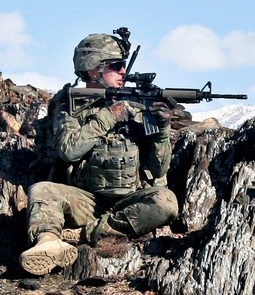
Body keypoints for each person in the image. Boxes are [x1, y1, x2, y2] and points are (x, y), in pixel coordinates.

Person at [19, 32, 179, 276]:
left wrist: (162, 131)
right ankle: (48, 242)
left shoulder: (137, 107)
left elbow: (157, 170)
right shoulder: (68, 105)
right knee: (41, 190)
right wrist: (109, 116)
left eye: (123, 65)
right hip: (85, 199)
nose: (123, 71)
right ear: (93, 70)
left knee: (166, 202)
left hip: (129, 200)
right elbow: (69, 150)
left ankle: (80, 235)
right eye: (116, 66)